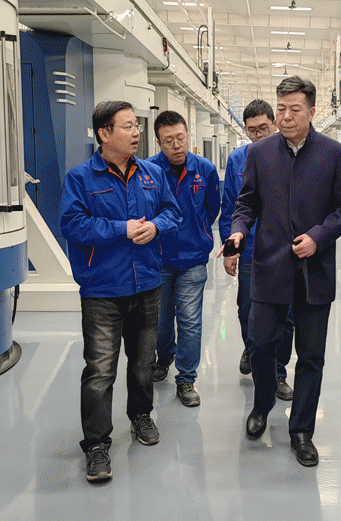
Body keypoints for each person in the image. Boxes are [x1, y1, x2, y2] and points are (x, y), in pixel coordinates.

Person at [222, 76, 341, 467]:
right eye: (280, 108)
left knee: (311, 356)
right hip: (270, 267)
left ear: (311, 111)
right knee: (260, 343)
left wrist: (318, 236)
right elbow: (246, 203)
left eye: (294, 109)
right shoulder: (260, 153)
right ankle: (262, 405)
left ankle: (301, 430)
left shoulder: (334, 154)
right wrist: (238, 231)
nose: (285, 116)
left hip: (314, 271)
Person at [60, 101, 182, 483]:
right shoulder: (80, 178)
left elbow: (172, 213)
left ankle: (141, 415)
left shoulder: (152, 174)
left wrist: (156, 227)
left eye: (136, 126)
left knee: (144, 362)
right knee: (100, 370)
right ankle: (97, 445)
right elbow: (72, 224)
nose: (136, 132)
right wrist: (122, 228)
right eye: (128, 126)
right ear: (104, 133)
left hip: (146, 283)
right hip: (102, 290)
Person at [218, 99, 294, 401]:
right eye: (252, 130)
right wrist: (230, 249)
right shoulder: (238, 160)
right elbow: (229, 207)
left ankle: (278, 373)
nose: (258, 135)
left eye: (263, 128)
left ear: (274, 124)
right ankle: (253, 349)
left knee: (286, 315)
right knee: (248, 310)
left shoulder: (291, 155)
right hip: (250, 249)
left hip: (285, 250)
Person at [147, 110, 220, 407]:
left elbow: (212, 209)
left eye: (181, 138)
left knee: (190, 319)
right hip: (159, 258)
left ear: (188, 135)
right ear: (158, 142)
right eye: (168, 141)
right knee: (161, 319)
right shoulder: (149, 171)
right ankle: (164, 357)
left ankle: (186, 378)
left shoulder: (205, 169)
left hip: (193, 257)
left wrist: (197, 232)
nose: (176, 145)